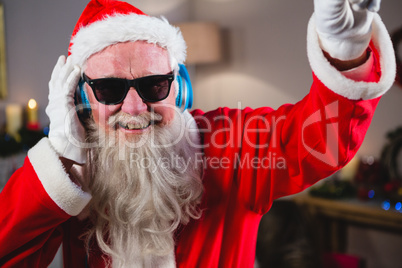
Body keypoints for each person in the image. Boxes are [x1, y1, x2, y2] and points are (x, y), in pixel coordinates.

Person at [0, 0, 396, 267]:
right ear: (81, 97)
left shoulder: (231, 144)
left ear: (179, 86)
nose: (136, 109)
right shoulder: (69, 176)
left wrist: (347, 50)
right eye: (110, 90)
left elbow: (321, 139)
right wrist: (62, 161)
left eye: (155, 85)